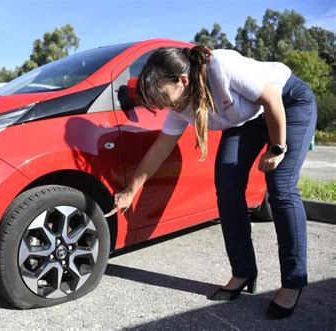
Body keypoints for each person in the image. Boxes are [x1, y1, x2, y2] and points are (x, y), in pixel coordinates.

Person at [104, 45, 317, 319]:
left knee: (281, 188)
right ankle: (243, 272)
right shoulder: (180, 106)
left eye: (166, 98)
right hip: (249, 120)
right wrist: (130, 190)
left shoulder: (221, 66)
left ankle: (293, 281)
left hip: (287, 101)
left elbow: (272, 100)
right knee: (228, 188)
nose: (168, 106)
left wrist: (277, 148)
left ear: (183, 80)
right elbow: (159, 150)